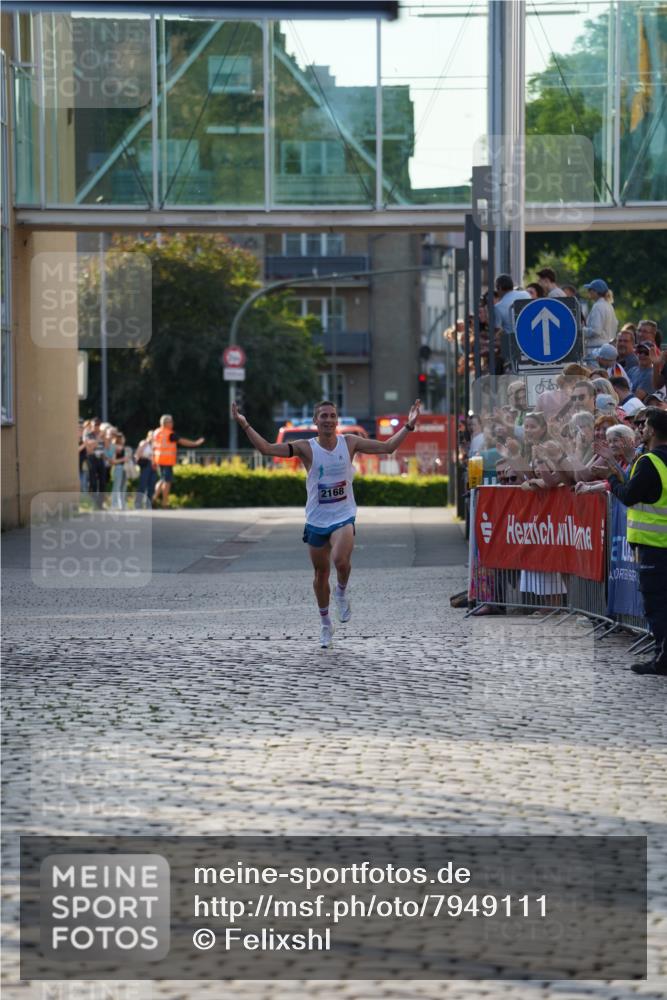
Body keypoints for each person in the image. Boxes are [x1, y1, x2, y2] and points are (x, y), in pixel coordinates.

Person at [232, 397, 422, 648]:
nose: (329, 420)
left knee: (341, 560)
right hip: (316, 520)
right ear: (315, 421)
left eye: (332, 416)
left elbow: (387, 447)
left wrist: (409, 425)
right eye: (324, 416)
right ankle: (325, 624)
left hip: (343, 515)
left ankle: (341, 592)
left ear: (337, 420)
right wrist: (244, 424)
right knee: (321, 575)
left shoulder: (350, 443)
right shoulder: (306, 448)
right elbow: (267, 449)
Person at [598, 408, 667, 676]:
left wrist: (611, 477)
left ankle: (662, 659)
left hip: (654, 545)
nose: (640, 429)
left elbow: (628, 495)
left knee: (657, 605)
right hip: (658, 544)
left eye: (644, 425)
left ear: (652, 431)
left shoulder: (649, 461)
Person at [152, 414, 204, 509]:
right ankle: (164, 504)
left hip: (158, 459)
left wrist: (153, 460)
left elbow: (154, 447)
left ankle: (154, 498)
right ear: (166, 423)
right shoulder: (169, 434)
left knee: (162, 479)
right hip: (167, 460)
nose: (172, 423)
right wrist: (195, 443)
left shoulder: (156, 432)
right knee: (167, 481)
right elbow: (182, 441)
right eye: (171, 422)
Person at [582, 278, 618, 359]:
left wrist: (581, 330)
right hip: (607, 348)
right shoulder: (609, 306)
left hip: (596, 350)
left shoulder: (598, 306)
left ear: (596, 292)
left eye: (590, 289)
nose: (588, 291)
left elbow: (596, 330)